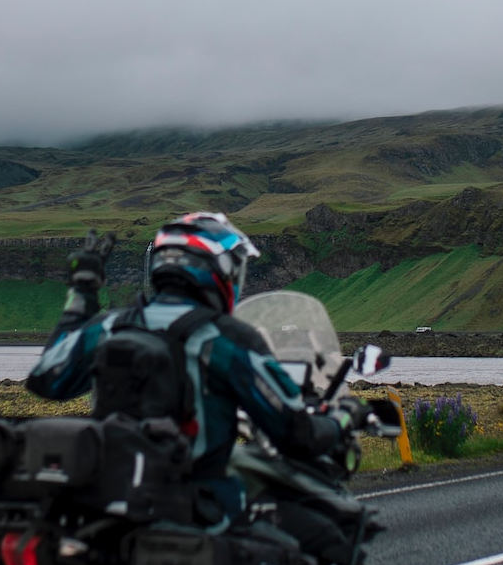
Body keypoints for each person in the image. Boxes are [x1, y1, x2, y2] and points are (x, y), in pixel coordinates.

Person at [25, 211, 351, 526]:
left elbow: (47, 379)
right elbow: (294, 433)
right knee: (312, 539)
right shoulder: (226, 338)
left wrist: (82, 294)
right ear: (219, 269)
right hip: (197, 512)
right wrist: (341, 420)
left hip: (106, 504)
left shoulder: (111, 326)